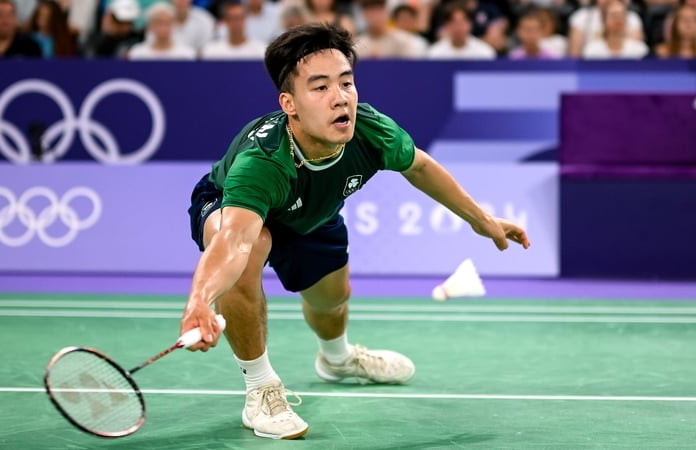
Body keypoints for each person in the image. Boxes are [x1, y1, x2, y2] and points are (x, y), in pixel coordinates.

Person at [180, 22, 531, 440]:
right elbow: (234, 240)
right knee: (253, 245)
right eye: (321, 87)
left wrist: (481, 219)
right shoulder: (264, 162)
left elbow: (419, 166)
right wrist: (200, 299)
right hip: (231, 209)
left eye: (346, 82)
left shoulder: (368, 129)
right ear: (289, 103)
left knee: (333, 301)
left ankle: (337, 359)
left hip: (311, 211)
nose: (340, 97)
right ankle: (260, 389)